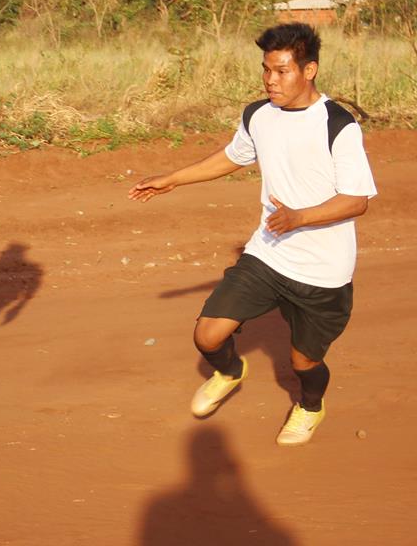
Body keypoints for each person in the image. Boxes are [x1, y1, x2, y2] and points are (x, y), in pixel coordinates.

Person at [128, 23, 376, 446]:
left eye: (281, 71)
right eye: (266, 70)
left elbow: (357, 200)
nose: (270, 80)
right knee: (207, 334)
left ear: (309, 70)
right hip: (269, 253)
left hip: (323, 272)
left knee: (304, 362)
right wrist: (174, 179)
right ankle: (229, 371)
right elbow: (232, 156)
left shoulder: (337, 125)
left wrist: (300, 218)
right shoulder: (259, 115)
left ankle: (310, 407)